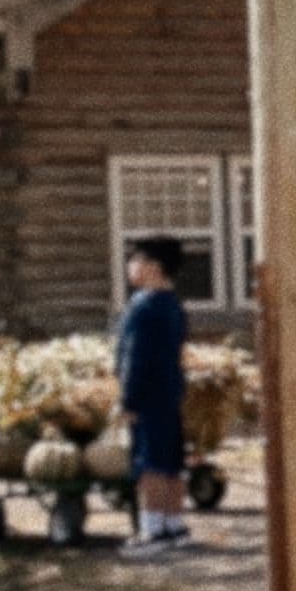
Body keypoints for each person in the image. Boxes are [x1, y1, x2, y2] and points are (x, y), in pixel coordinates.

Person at [113, 235, 191, 558]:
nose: (130, 266)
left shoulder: (143, 306)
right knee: (171, 460)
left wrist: (128, 399)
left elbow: (135, 357)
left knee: (149, 464)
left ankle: (152, 530)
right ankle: (174, 525)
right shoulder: (173, 304)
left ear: (153, 267)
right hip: (170, 392)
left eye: (135, 260)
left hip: (146, 395)